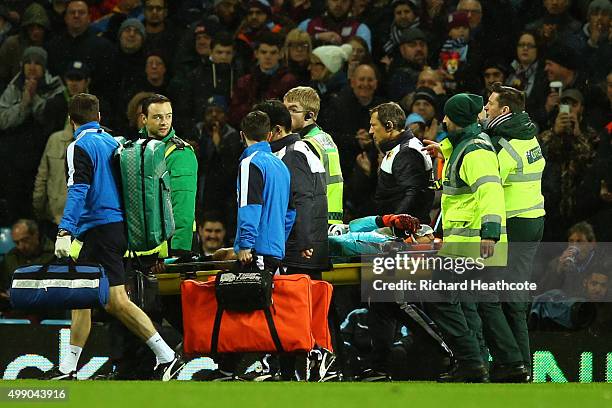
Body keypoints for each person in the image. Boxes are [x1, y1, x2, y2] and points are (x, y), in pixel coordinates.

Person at [46, 93, 183, 380]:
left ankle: (167, 355)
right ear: (99, 117)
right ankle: (68, 368)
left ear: (72, 121)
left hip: (99, 230)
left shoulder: (78, 145)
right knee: (82, 297)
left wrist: (64, 229)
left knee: (115, 300)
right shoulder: (113, 142)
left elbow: (79, 190)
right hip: (117, 228)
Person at [424, 93, 520, 382]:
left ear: (460, 120)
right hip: (466, 243)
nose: (443, 120)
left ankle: (473, 361)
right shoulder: (466, 146)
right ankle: (493, 364)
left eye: (448, 117)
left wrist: (489, 233)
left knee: (441, 296)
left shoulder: (475, 152)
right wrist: (441, 150)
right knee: (474, 305)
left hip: (474, 243)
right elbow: (457, 147)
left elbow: (490, 191)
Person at [210, 110, 295, 380]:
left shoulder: (251, 163)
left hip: (256, 248)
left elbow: (250, 205)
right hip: (274, 248)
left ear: (242, 136)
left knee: (251, 307)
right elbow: (291, 211)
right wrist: (277, 237)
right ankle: (242, 366)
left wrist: (246, 242)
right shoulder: (280, 165)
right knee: (267, 306)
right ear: (269, 135)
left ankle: (260, 364)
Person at [363, 102, 434, 381]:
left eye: (374, 126)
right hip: (398, 236)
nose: (370, 131)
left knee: (399, 302)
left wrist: (396, 228)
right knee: (383, 302)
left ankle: (444, 354)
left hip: (403, 240)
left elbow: (412, 194)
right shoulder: (401, 150)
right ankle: (379, 367)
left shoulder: (406, 153)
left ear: (389, 127)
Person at [483, 83, 545, 381]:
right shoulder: (528, 136)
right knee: (512, 297)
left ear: (504, 110)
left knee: (507, 299)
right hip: (533, 218)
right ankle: (521, 366)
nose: (486, 108)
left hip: (515, 223)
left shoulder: (505, 145)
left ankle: (518, 365)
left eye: (490, 104)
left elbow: (489, 183)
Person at [254, 100, 328, 275]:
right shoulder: (298, 149)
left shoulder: (292, 154)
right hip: (303, 250)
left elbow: (302, 197)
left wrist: (304, 242)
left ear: (278, 130)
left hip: (299, 255)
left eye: (263, 131)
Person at [0, 46, 64, 222]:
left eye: (37, 63)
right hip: (14, 160)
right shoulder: (14, 87)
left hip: (42, 156)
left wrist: (33, 97)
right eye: (28, 62)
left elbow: (51, 118)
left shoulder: (56, 87)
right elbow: (2, 119)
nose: (32, 66)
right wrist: (23, 105)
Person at [139, 94, 198, 256]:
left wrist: (178, 250)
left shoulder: (179, 153)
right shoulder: (137, 149)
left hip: (175, 242)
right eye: (158, 117)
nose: (164, 122)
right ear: (144, 119)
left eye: (168, 116)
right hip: (147, 241)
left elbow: (183, 204)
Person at [284, 86, 344, 225]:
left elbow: (304, 190)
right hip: (332, 218)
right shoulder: (324, 138)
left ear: (309, 115)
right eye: (285, 109)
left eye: (293, 110)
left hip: (315, 221)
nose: (286, 115)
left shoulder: (305, 145)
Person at [228, 32, 298, 127]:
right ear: (256, 54)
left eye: (273, 53)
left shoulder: (288, 81)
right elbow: (233, 115)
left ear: (281, 54)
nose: (268, 56)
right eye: (264, 52)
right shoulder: (244, 82)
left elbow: (292, 114)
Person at [0, 219, 54, 310]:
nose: (21, 246)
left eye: (25, 240)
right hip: (15, 310)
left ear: (36, 235)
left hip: (47, 310)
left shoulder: (54, 256)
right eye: (17, 242)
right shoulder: (11, 258)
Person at [0, 2, 50, 87]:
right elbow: (2, 75)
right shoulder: (12, 44)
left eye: (39, 27)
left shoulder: (51, 47)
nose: (35, 31)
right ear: (25, 28)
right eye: (31, 27)